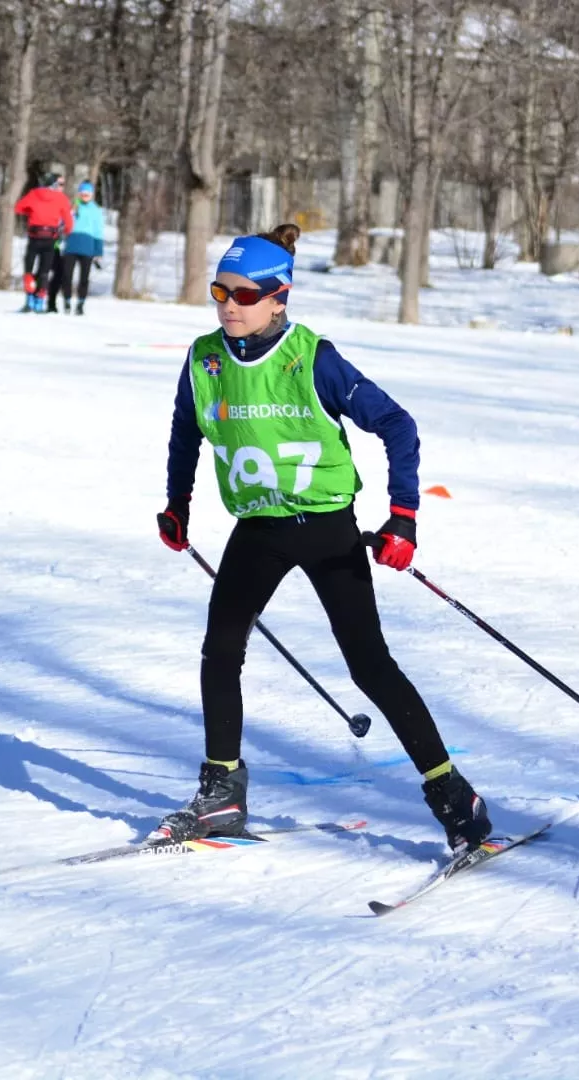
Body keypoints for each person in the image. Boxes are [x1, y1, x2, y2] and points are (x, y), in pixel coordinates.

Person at [152, 223, 493, 856]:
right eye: (219, 290)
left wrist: (404, 517)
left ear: (279, 297)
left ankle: (454, 796)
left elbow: (397, 424)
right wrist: (178, 503)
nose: (229, 304)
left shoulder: (313, 357)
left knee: (369, 665)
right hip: (258, 527)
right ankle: (221, 788)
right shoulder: (203, 359)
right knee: (220, 649)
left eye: (245, 294)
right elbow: (185, 431)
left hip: (327, 527)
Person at [13, 172, 72, 312]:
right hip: (50, 238)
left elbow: (18, 208)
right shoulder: (61, 198)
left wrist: (32, 213)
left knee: (28, 270)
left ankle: (29, 301)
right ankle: (39, 302)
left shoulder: (34, 194)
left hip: (34, 236)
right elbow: (69, 223)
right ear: (55, 184)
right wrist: (65, 232)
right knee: (44, 272)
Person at [57, 180, 104, 316]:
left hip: (87, 247)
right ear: (79, 194)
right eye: (82, 193)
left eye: (87, 194)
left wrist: (98, 251)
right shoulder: (73, 207)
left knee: (84, 278)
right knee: (67, 276)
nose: (85, 196)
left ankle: (80, 304)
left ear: (91, 194)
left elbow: (98, 231)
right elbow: (62, 223)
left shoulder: (96, 210)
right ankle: (66, 301)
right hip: (71, 246)